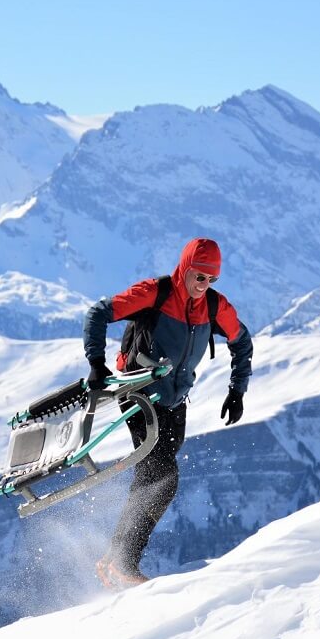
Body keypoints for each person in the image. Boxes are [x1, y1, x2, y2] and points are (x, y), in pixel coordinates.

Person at [82, 237, 254, 589]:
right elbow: (98, 313)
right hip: (139, 393)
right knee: (163, 476)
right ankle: (125, 562)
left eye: (211, 280)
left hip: (175, 402)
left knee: (151, 475)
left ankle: (114, 556)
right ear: (186, 268)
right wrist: (97, 364)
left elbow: (242, 342)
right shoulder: (156, 293)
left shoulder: (214, 306)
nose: (203, 286)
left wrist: (237, 390)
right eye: (199, 277)